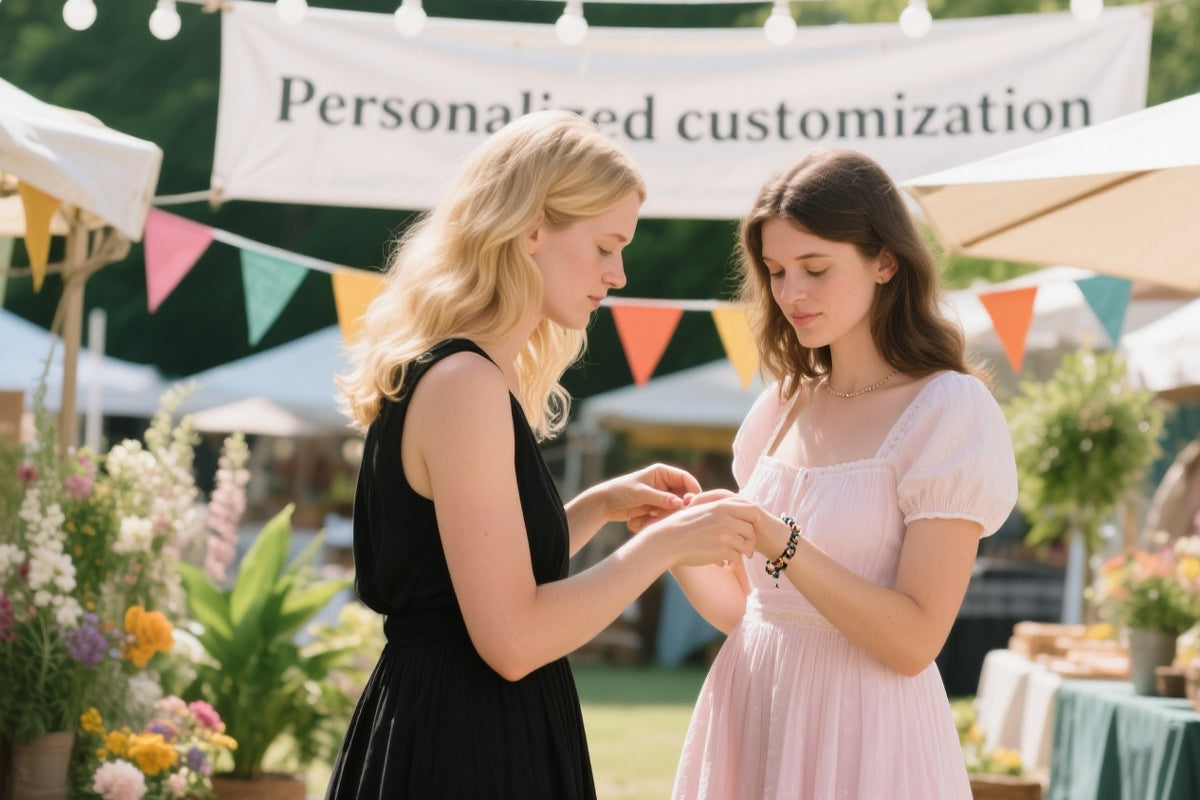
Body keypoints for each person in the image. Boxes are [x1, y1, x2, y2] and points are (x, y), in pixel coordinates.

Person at [325, 110, 761, 799]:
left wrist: (598, 508)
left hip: (454, 723)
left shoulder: (461, 375)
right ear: (531, 230)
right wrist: (665, 546)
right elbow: (513, 639)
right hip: (465, 745)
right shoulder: (465, 384)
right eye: (605, 246)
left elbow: (465, 570)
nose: (618, 275)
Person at [670, 149, 1019, 799]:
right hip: (752, 713)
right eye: (776, 271)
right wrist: (675, 539)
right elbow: (751, 613)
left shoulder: (948, 411)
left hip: (867, 739)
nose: (790, 293)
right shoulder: (779, 407)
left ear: (885, 260)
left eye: (815, 267)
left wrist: (784, 541)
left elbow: (915, 640)